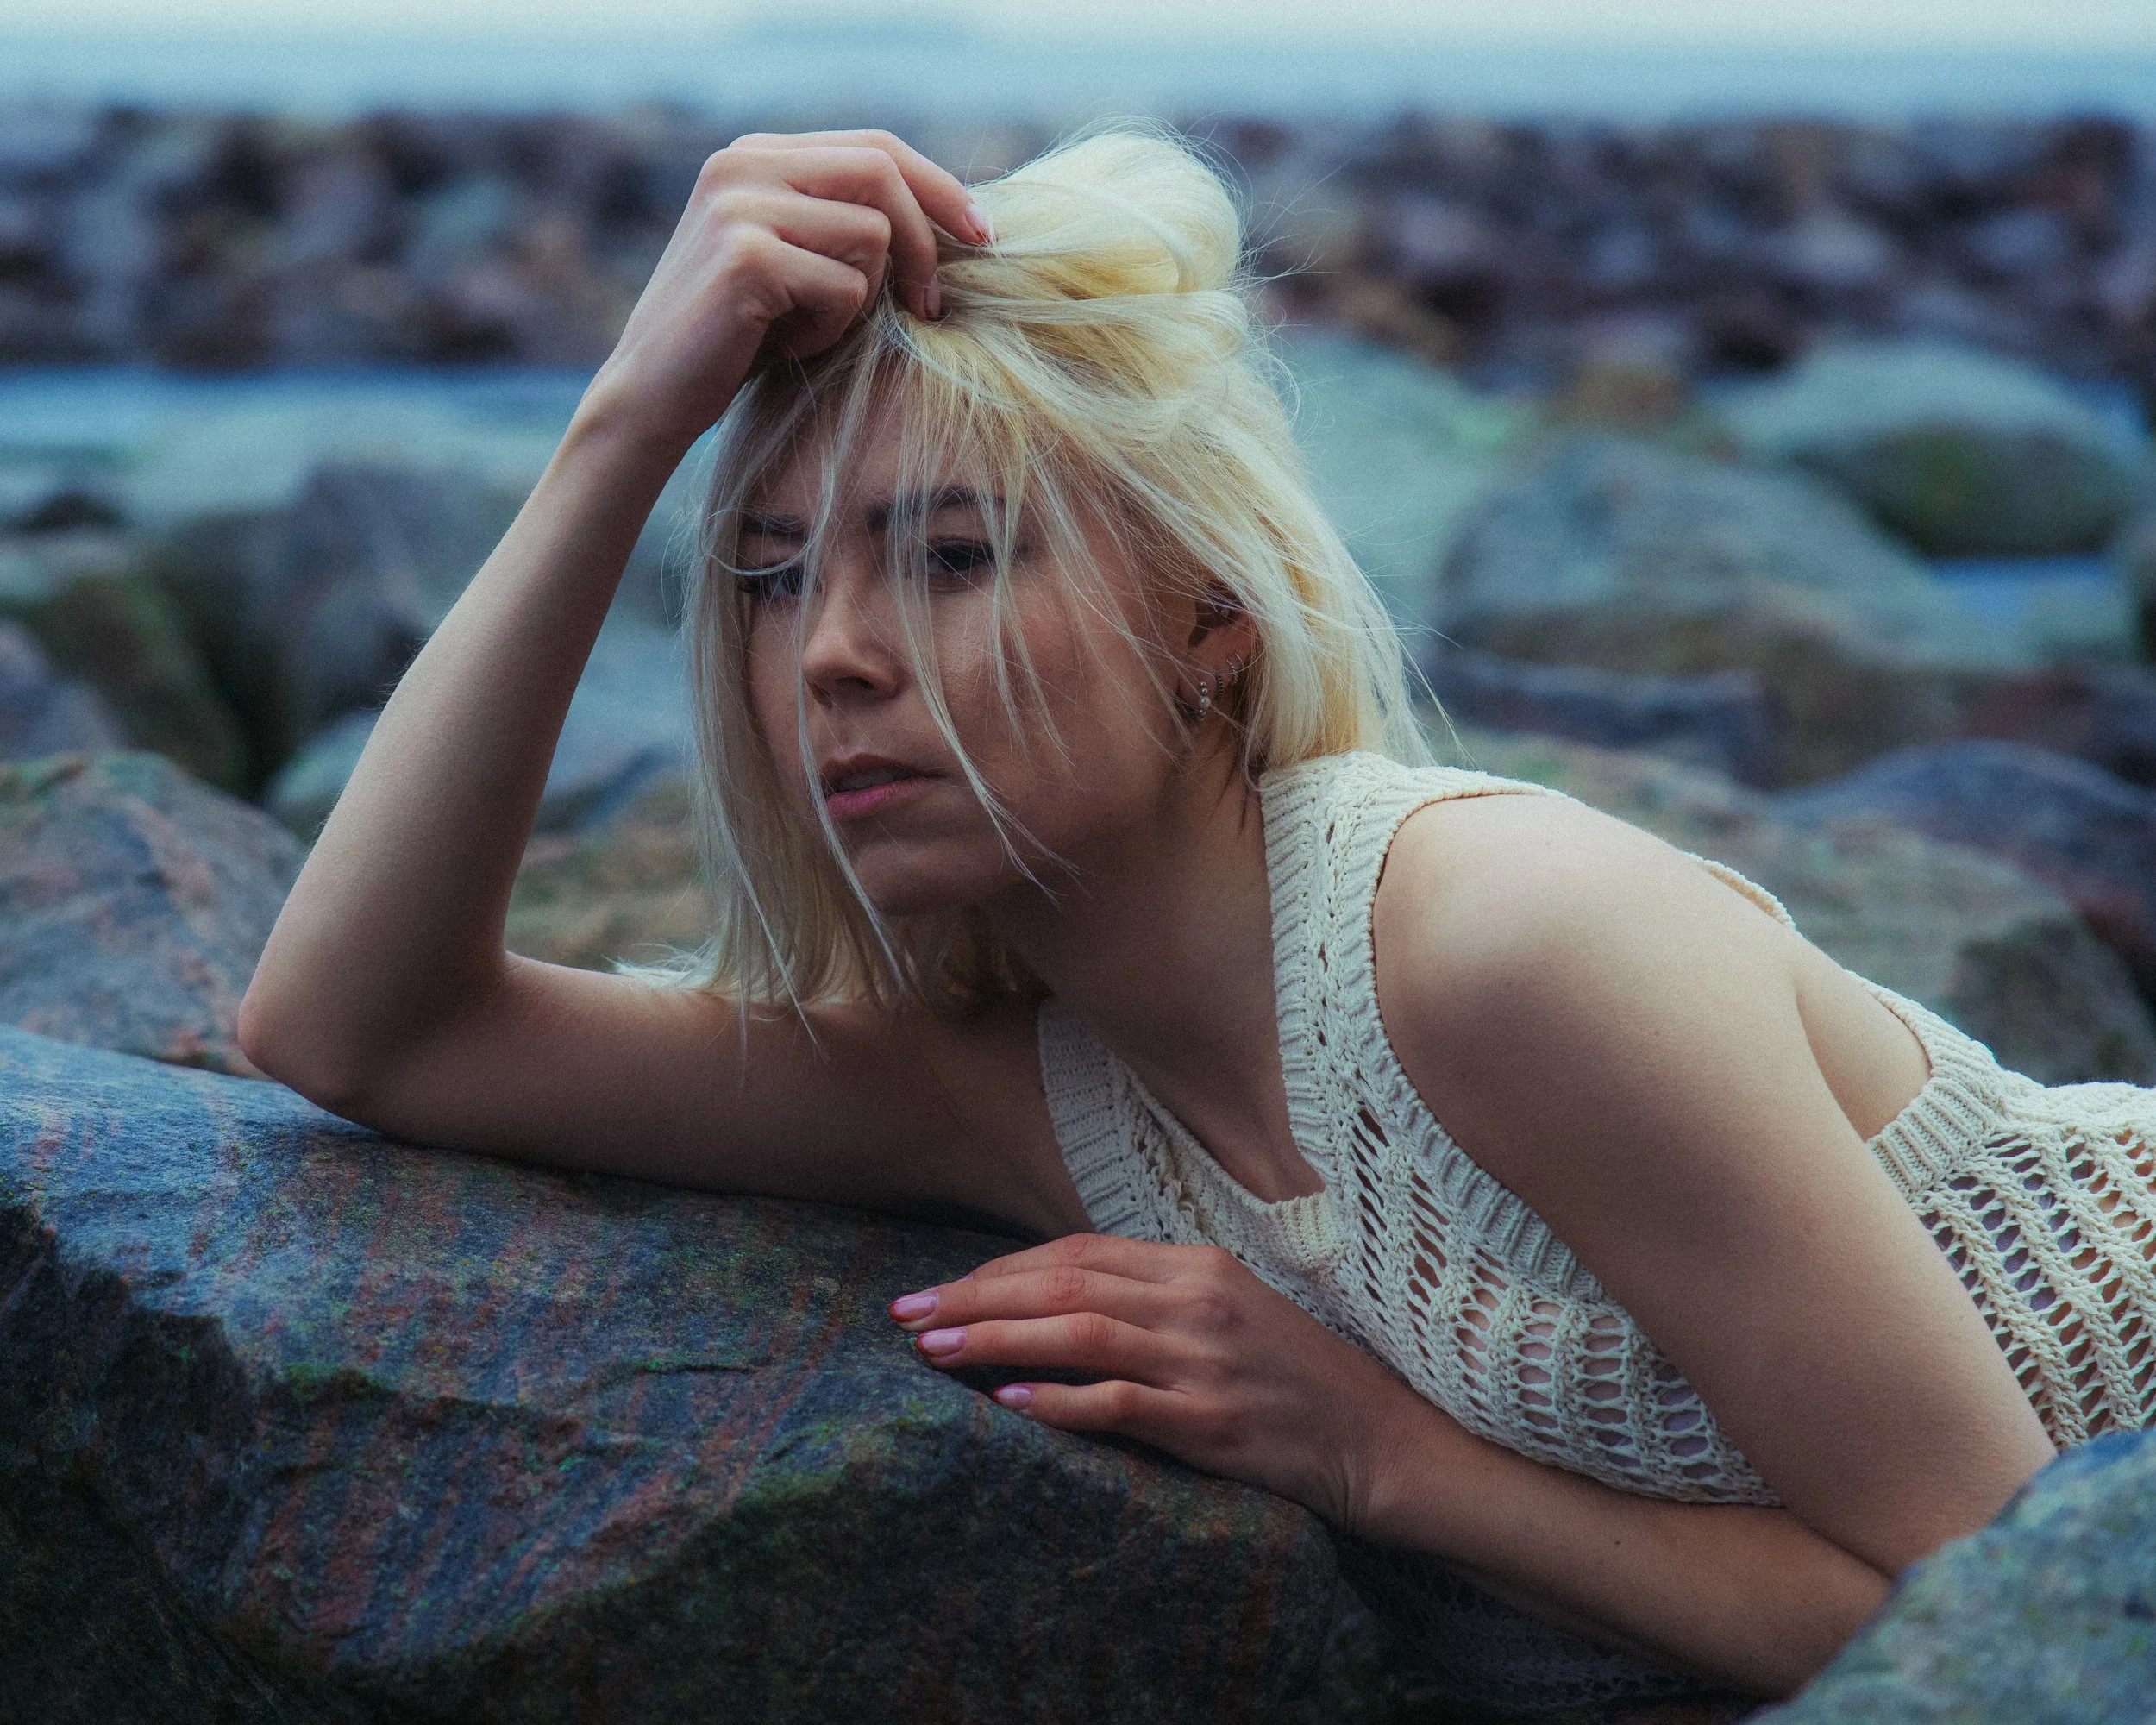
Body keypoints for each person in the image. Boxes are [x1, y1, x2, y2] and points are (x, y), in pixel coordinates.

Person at [239, 124, 2156, 1710]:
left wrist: (1375, 1455)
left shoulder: (1500, 943)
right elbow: (362, 1031)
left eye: (955, 554)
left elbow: (2003, 1624)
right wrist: (618, 430)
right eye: (760, 579)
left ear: (1206, 615)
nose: (827, 654)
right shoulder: (995, 1090)